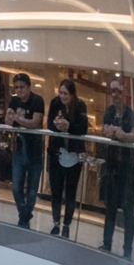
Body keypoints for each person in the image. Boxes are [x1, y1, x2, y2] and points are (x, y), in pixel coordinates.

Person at [100, 79, 134, 257]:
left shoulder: (131, 114)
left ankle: (127, 250)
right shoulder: (109, 111)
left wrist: (122, 135)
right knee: (110, 209)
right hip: (112, 168)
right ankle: (106, 244)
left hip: (127, 170)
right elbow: (105, 131)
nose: (114, 95)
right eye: (112, 91)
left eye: (117, 91)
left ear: (124, 93)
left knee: (128, 212)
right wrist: (120, 134)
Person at [45, 79, 89, 239]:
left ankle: (67, 225)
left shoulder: (80, 106)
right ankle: (56, 222)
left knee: (70, 192)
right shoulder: (55, 103)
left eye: (65, 93)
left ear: (72, 95)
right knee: (56, 191)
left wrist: (68, 126)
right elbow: (49, 123)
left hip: (74, 155)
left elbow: (83, 128)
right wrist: (57, 125)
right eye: (60, 92)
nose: (62, 96)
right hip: (57, 153)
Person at [5, 73, 45, 228]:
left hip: (35, 149)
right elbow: (8, 121)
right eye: (16, 87)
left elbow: (35, 123)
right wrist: (13, 117)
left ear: (29, 87)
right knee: (16, 187)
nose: (19, 90)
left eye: (22, 87)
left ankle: (24, 218)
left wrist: (17, 118)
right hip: (19, 147)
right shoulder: (14, 100)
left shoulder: (37, 100)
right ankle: (24, 215)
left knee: (33, 189)